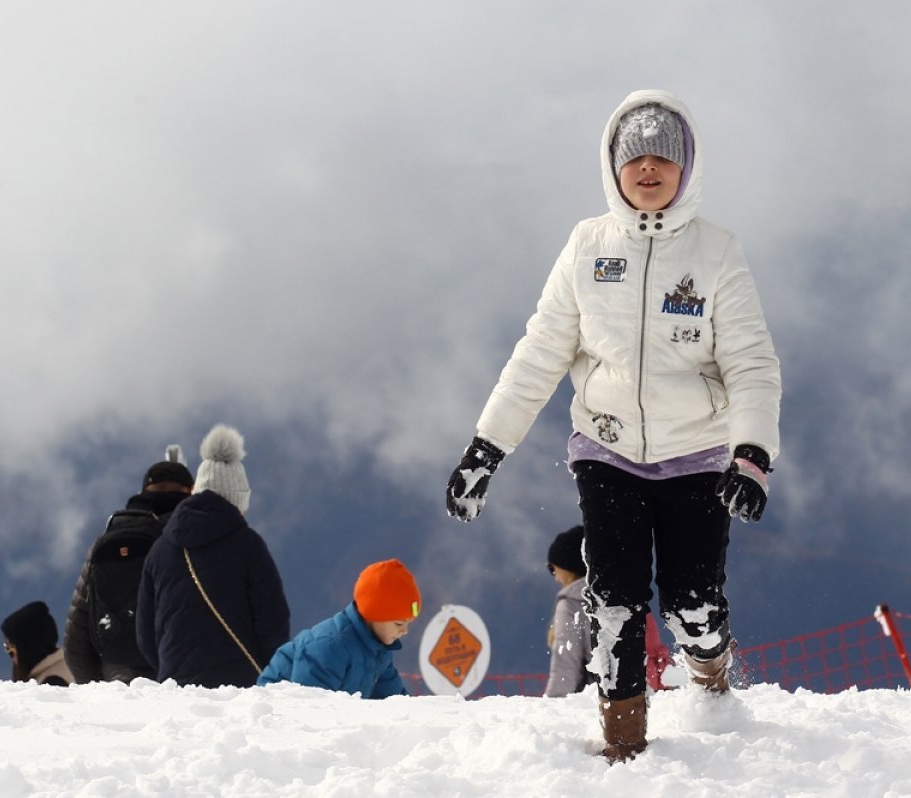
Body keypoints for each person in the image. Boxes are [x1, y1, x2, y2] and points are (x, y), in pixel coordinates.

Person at [445, 90, 781, 763]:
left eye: (663, 156)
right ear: (613, 167)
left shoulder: (717, 253)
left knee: (692, 604)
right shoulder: (588, 245)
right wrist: (486, 449)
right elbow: (540, 353)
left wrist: (750, 456)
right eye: (635, 157)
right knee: (615, 601)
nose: (648, 169)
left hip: (697, 457)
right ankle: (622, 749)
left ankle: (711, 675)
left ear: (687, 168)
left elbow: (750, 362)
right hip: (606, 452)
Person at [136, 424, 290, 688]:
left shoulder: (161, 549)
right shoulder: (248, 545)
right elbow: (272, 620)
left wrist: (170, 668)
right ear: (237, 500)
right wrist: (270, 672)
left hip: (177, 687)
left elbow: (145, 633)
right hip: (241, 686)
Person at [64, 450, 194, 683]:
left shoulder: (108, 538)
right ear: (190, 492)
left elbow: (78, 629)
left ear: (143, 492)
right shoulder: (190, 537)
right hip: (178, 671)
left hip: (117, 672)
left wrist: (93, 684)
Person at [258, 558, 420, 697]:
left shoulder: (379, 650)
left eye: (408, 623)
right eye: (399, 623)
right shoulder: (329, 646)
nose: (404, 631)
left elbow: (394, 699)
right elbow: (307, 707)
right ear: (374, 614)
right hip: (275, 716)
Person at [543, 525, 592, 697]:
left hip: (589, 703)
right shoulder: (610, 599)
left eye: (552, 568)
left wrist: (550, 708)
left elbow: (565, 667)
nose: (555, 577)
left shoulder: (570, 605)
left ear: (568, 565)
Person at [1, 601, 74, 686]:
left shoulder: (52, 684)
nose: (11, 657)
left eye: (10, 649)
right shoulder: (60, 668)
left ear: (27, 649)